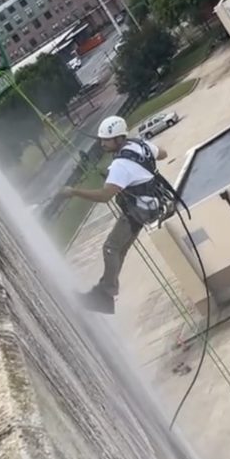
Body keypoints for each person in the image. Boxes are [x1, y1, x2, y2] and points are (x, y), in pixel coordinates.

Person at [61, 115, 168, 314]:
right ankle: (103, 291)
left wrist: (74, 192)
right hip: (152, 204)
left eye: (106, 140)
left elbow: (104, 196)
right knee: (120, 250)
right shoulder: (139, 145)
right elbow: (163, 153)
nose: (102, 143)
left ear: (119, 139)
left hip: (137, 211)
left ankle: (106, 295)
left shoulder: (121, 165)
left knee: (110, 248)